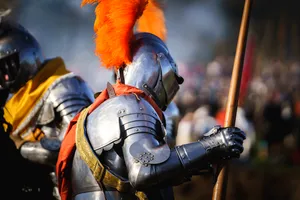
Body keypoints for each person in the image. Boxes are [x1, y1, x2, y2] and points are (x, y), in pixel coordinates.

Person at [56, 0, 246, 199]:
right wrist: (212, 144)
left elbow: (152, 174)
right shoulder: (131, 106)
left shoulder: (101, 110)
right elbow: (144, 171)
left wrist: (205, 153)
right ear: (155, 69)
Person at [0, 19, 94, 199]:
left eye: (7, 66)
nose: (4, 76)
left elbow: (78, 148)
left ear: (24, 55)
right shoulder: (12, 103)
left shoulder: (64, 87)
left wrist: (18, 147)